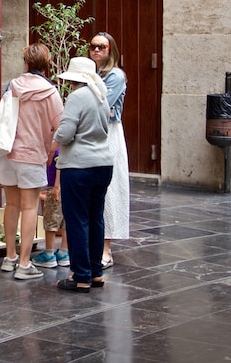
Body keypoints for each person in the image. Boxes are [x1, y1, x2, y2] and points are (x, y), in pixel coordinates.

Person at [0, 44, 64, 280]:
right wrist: (51, 150)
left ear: (25, 63)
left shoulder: (12, 85)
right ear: (46, 65)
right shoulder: (50, 92)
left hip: (6, 153)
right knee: (29, 207)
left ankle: (10, 257)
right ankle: (25, 264)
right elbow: (61, 128)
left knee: (11, 205)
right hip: (32, 154)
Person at [53, 57, 113, 292]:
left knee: (77, 220)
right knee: (96, 217)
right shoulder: (101, 95)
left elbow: (66, 133)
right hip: (103, 164)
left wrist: (55, 137)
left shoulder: (77, 97)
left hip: (78, 166)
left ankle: (81, 276)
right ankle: (95, 272)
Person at [89, 32, 130, 268]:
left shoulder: (115, 76)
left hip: (109, 133)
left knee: (111, 190)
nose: (96, 51)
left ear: (110, 50)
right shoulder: (90, 73)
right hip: (91, 133)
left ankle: (105, 248)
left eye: (101, 47)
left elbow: (100, 103)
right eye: (93, 46)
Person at [32, 148, 70, 269]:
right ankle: (64, 252)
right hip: (68, 186)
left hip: (54, 188)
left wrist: (56, 187)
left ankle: (49, 253)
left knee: (50, 220)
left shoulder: (58, 145)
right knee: (66, 220)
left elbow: (60, 164)